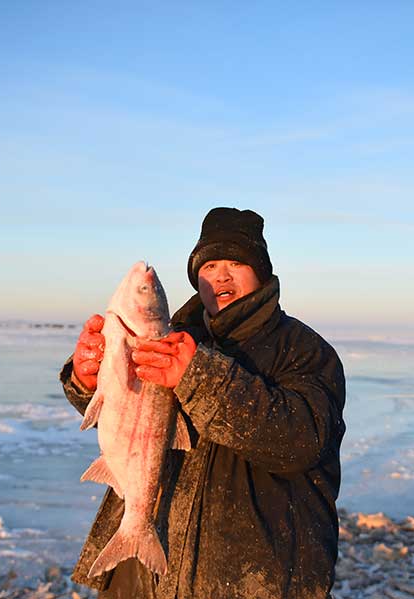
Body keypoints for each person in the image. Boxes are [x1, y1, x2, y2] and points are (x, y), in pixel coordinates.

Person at [60, 207, 346, 599]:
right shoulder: (174, 338)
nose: (221, 276)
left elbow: (302, 440)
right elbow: (130, 419)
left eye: (236, 263)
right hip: (147, 578)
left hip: (249, 581)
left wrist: (197, 377)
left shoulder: (303, 350)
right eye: (209, 265)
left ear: (261, 273)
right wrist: (87, 379)